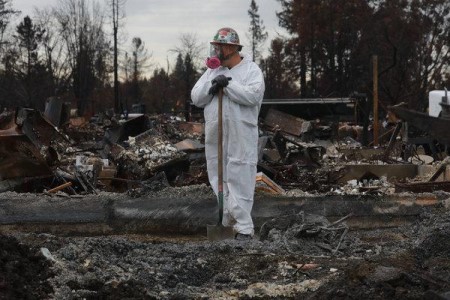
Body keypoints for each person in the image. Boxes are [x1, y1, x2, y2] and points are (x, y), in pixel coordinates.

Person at [191, 27, 265, 240]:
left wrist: (228, 85)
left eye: (220, 47)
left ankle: (244, 228)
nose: (216, 51)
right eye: (215, 47)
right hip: (216, 134)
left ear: (232, 48)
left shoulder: (251, 71)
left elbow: (252, 96)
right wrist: (212, 88)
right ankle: (226, 222)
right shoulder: (213, 71)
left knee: (240, 175)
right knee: (217, 173)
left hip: (241, 134)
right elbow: (196, 97)